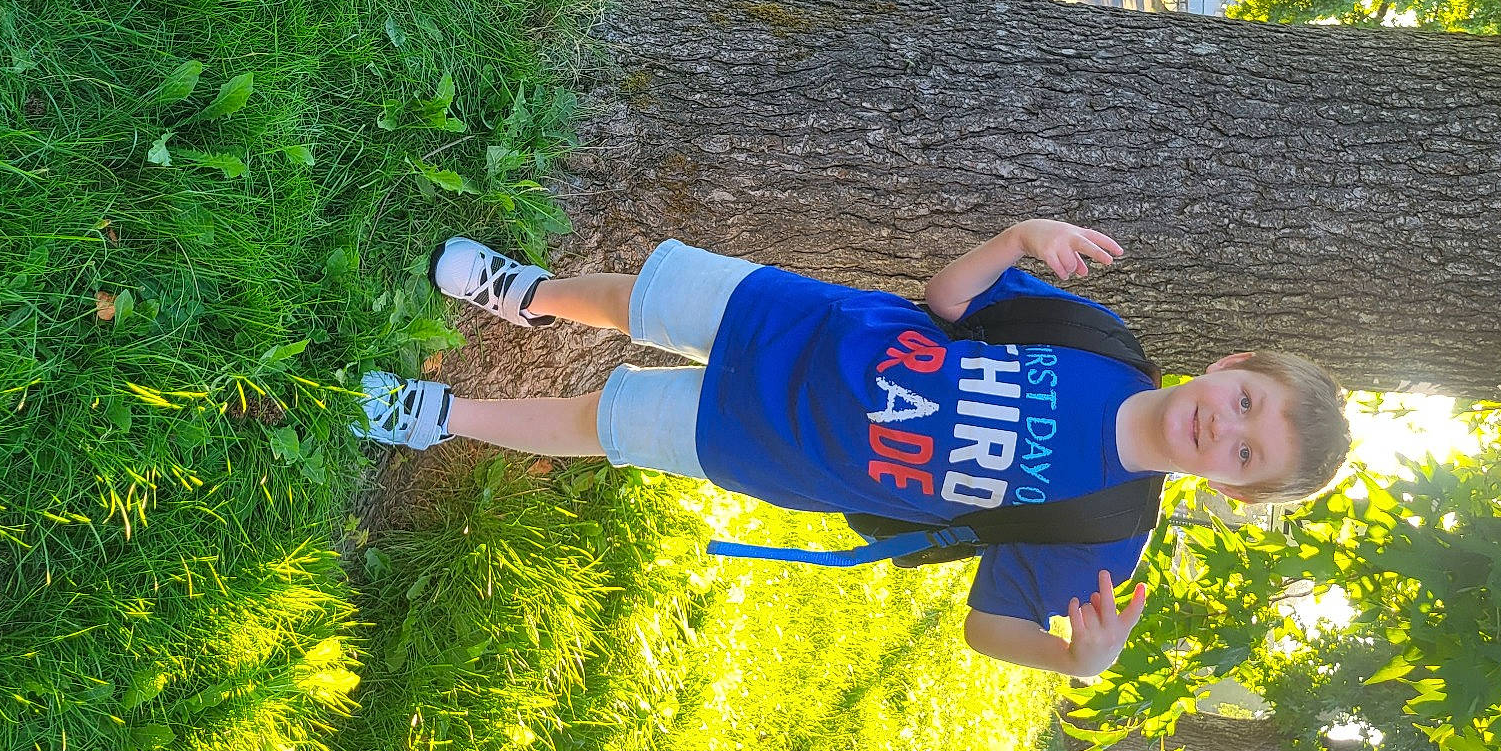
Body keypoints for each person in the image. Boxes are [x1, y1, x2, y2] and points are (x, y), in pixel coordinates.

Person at [356, 220, 1352, 677]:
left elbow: (985, 630)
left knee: (597, 424)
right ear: (1227, 365)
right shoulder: (1100, 341)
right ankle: (527, 296)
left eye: (1241, 454)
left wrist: (1073, 662)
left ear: (1229, 488)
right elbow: (948, 304)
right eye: (1244, 402)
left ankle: (436, 417)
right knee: (637, 300)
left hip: (776, 448)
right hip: (807, 324)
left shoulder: (1103, 537)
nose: (1221, 428)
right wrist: (1014, 238)